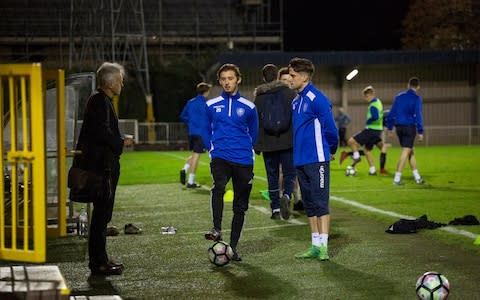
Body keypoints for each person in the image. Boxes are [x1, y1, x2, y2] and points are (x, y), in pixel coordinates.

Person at [76, 62, 133, 276]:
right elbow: (103, 133)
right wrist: (121, 141)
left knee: (102, 215)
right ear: (110, 82)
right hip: (102, 169)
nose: (122, 84)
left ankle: (101, 260)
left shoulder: (100, 100)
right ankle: (98, 263)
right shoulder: (100, 101)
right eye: (119, 80)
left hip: (103, 167)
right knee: (101, 215)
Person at [204, 63, 258, 261]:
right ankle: (216, 228)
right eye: (223, 79)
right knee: (218, 187)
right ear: (220, 82)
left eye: (230, 78)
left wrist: (247, 150)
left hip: (243, 160)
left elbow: (255, 133)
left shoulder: (249, 107)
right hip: (220, 156)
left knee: (240, 206)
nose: (227, 82)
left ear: (238, 80)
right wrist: (211, 148)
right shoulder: (210, 105)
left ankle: (233, 248)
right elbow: (205, 129)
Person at [288, 57, 338, 261]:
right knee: (309, 204)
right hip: (300, 160)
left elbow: (331, 129)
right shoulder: (296, 100)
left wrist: (331, 149)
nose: (289, 79)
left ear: (304, 76)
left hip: (317, 159)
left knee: (320, 203)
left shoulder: (318, 98)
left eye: (292, 75)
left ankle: (324, 247)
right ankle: (315, 245)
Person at [253, 64, 297, 220]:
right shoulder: (289, 93)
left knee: (272, 176)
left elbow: (256, 123)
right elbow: (296, 117)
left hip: (268, 143)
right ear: (277, 77)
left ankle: (276, 209)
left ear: (264, 78)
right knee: (289, 174)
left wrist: (256, 145)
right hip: (288, 141)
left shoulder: (259, 97)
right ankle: (287, 195)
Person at [386, 76, 425, 185]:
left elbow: (391, 113)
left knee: (410, 151)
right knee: (406, 151)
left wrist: (390, 128)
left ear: (408, 85)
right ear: (418, 87)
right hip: (409, 128)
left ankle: (417, 177)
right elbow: (418, 115)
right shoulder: (417, 98)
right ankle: (397, 178)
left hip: (399, 128)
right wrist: (420, 131)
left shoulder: (399, 97)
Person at [341, 85, 384, 175]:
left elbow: (375, 116)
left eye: (366, 96)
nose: (365, 98)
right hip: (378, 131)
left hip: (371, 130)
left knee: (351, 141)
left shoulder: (373, 105)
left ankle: (356, 157)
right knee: (366, 150)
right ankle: (372, 170)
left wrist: (368, 120)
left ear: (371, 95)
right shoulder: (378, 102)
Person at [278, 67, 304, 212]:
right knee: (283, 171)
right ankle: (284, 197)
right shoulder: (276, 99)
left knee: (296, 171)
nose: (288, 82)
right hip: (282, 140)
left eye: (290, 79)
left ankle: (296, 198)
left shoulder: (298, 98)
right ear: (279, 81)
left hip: (296, 140)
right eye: (284, 80)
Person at [179, 82, 212, 188]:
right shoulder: (207, 103)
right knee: (197, 155)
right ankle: (190, 181)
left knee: (195, 153)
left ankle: (185, 168)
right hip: (202, 133)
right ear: (206, 92)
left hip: (192, 132)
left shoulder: (190, 102)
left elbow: (182, 116)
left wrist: (191, 122)